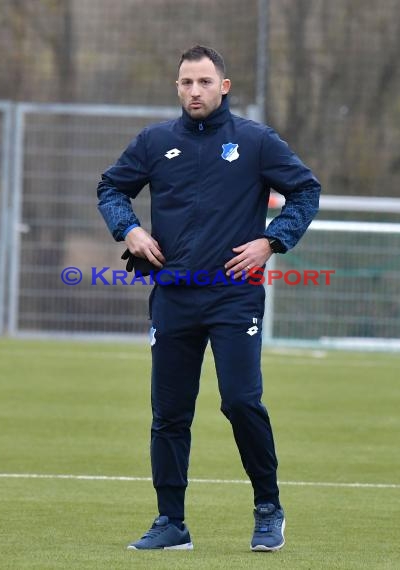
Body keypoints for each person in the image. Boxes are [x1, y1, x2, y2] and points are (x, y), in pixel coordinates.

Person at [97, 45, 321, 552]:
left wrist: (271, 241)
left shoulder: (256, 142)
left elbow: (306, 191)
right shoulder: (154, 142)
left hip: (233, 297)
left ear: (224, 86)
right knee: (170, 413)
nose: (194, 91)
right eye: (185, 83)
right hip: (173, 295)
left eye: (203, 82)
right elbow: (111, 188)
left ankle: (268, 508)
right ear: (177, 89)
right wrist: (128, 228)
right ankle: (171, 523)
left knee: (240, 401)